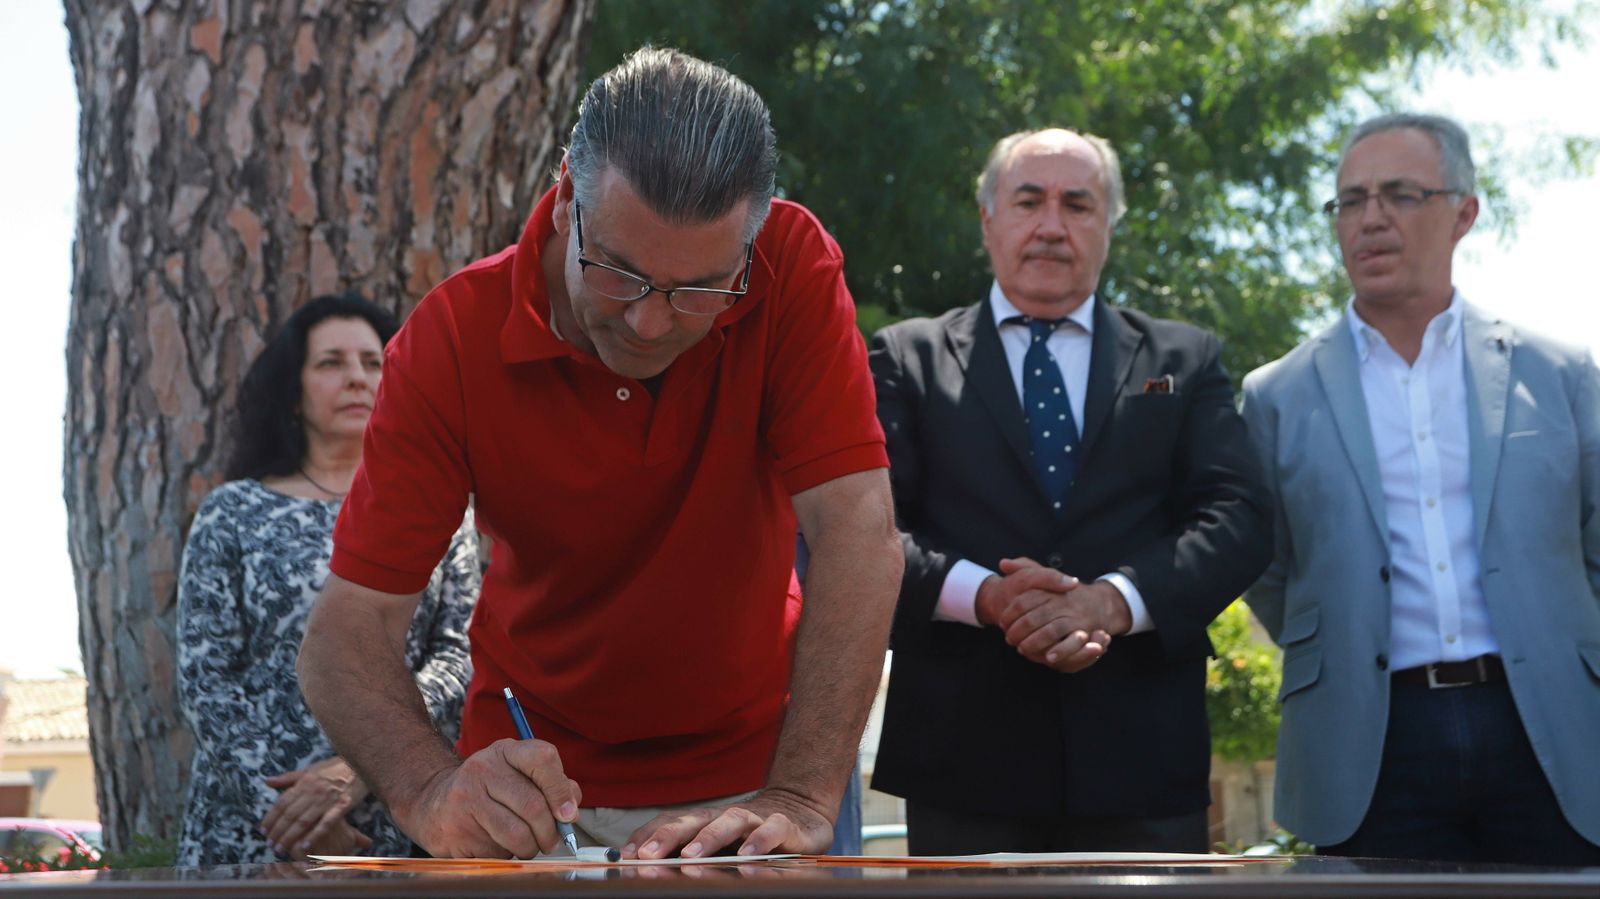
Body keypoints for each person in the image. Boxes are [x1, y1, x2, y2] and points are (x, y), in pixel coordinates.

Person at [296, 47, 901, 861]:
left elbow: (858, 530)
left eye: (700, 291)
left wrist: (799, 793)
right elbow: (347, 631)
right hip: (533, 797)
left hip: (764, 780)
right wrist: (431, 790)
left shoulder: (791, 265)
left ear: (752, 245)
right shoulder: (451, 340)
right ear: (564, 197)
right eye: (618, 272)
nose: (651, 325)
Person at [868, 128, 1272, 854]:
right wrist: (989, 596)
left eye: (1078, 204)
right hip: (964, 763)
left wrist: (1113, 601)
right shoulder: (907, 356)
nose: (1052, 225)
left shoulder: (1183, 357)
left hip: (1143, 762)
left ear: (1108, 227)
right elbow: (869, 532)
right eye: (1029, 201)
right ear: (989, 218)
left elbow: (1239, 515)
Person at [1241, 113, 1600, 864]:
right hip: (1366, 737)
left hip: (1548, 726)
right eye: (1350, 200)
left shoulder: (1560, 375)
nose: (1370, 219)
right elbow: (1267, 569)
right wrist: (1340, 640)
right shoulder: (1276, 395)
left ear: (1463, 212)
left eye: (1401, 194)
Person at [175, 294, 481, 865]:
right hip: (255, 827)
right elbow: (205, 677)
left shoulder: (442, 509)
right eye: (331, 363)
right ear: (292, 393)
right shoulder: (233, 511)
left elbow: (458, 655)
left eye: (373, 363)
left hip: (397, 809)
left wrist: (362, 768)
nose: (357, 378)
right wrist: (288, 808)